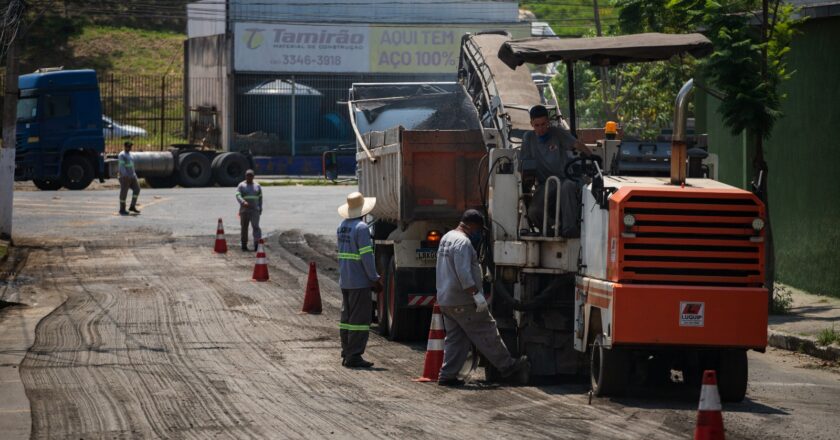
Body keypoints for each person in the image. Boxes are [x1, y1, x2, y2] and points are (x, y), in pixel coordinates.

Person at [436, 209, 529, 387]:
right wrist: (476, 295)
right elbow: (463, 274)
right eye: (478, 228)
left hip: (446, 299)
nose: (478, 233)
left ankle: (447, 375)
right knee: (487, 331)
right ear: (472, 225)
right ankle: (508, 366)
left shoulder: (447, 237)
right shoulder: (463, 243)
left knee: (456, 339)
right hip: (463, 300)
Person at [520, 105, 592, 238]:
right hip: (545, 183)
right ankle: (550, 230)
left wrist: (592, 157)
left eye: (543, 124)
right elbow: (524, 165)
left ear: (548, 122)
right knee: (534, 211)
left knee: (568, 186)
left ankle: (569, 230)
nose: (541, 128)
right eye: (537, 125)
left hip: (565, 178)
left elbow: (576, 144)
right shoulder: (528, 139)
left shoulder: (557, 133)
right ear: (531, 124)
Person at [336, 191, 382, 369]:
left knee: (346, 318)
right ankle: (354, 355)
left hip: (346, 280)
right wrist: (374, 278)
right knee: (360, 322)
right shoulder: (361, 228)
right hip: (359, 282)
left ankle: (346, 351)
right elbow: (366, 256)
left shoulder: (342, 226)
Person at [235, 170, 262, 251]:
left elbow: (260, 198)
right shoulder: (241, 185)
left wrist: (260, 208)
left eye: (251, 176)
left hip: (254, 210)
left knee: (256, 227)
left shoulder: (257, 186)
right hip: (244, 210)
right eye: (247, 175)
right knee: (244, 227)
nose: (249, 177)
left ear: (253, 176)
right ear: (245, 176)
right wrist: (243, 202)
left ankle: (257, 245)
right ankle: (244, 245)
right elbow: (237, 195)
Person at [118, 141, 140, 215]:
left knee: (137, 189)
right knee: (124, 193)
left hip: (132, 176)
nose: (130, 148)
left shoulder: (130, 154)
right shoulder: (122, 155)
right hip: (125, 177)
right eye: (128, 146)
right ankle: (122, 209)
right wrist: (125, 175)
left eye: (130, 146)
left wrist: (134, 174)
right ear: (125, 146)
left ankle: (132, 206)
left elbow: (131, 166)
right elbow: (122, 166)